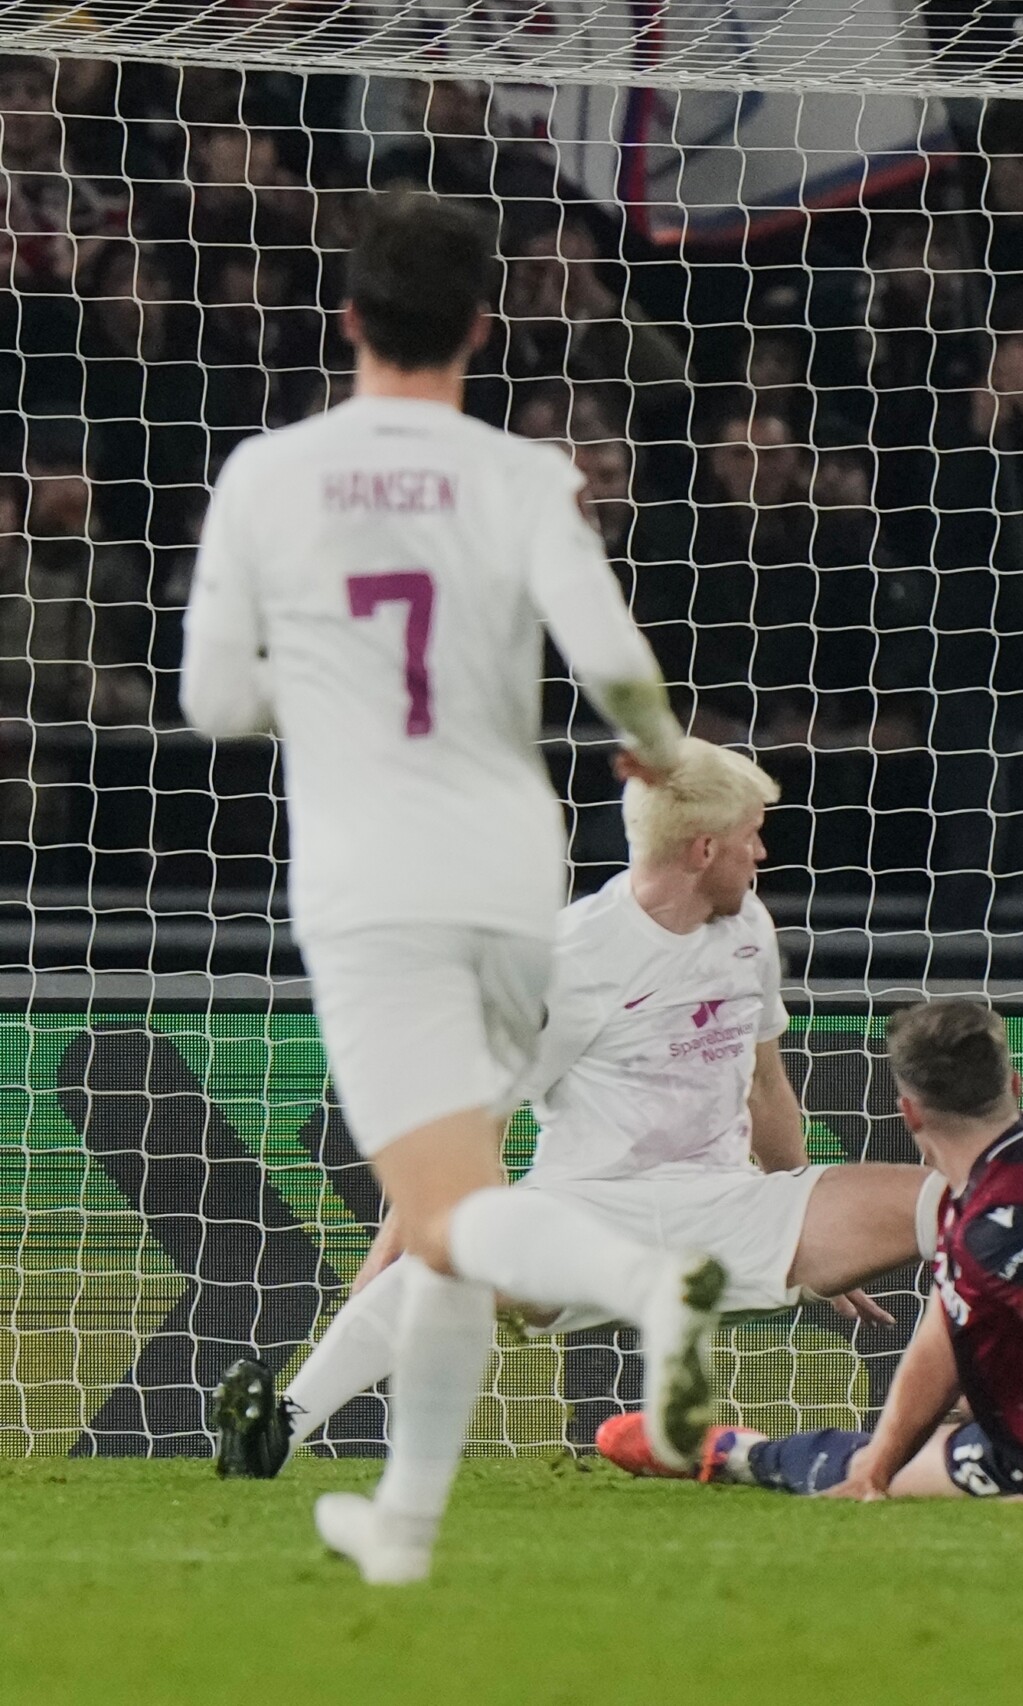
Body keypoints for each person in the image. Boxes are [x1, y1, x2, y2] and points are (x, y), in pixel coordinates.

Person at [179, 191, 713, 1585]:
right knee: (451, 1208)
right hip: (512, 868)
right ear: (483, 326)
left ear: (349, 320)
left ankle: (651, 1287)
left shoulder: (268, 474)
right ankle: (404, 1524)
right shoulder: (523, 476)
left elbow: (214, 698)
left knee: (449, 1209)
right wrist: (669, 759)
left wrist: (334, 691)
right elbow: (615, 665)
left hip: (378, 879)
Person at [212, 741, 943, 1477]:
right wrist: (396, 1267)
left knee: (955, 1203)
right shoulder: (567, 962)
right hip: (588, 1210)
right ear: (704, 847)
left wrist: (809, 1217)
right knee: (442, 1263)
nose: (760, 851)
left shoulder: (748, 925)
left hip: (730, 1204)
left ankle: (1014, 1409)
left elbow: (766, 1087)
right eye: (753, 833)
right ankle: (276, 1430)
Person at [594, 998, 1023, 1502]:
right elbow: (948, 1323)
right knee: (867, 1462)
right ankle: (838, 1462)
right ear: (1012, 1085)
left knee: (823, 1464)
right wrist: (877, 1471)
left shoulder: (1001, 1223)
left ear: (908, 1113)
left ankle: (729, 1452)